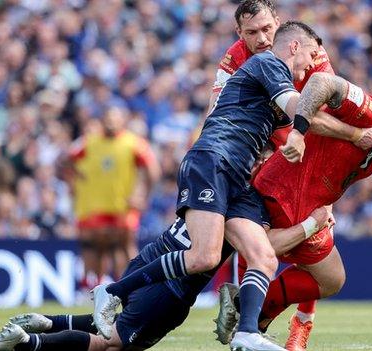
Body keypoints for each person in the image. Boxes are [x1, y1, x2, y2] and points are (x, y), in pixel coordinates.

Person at [90, 21, 323, 351]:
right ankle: (114, 292)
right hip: (214, 160)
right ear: (295, 47)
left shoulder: (272, 84)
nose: (314, 65)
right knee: (204, 257)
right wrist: (343, 109)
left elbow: (303, 126)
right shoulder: (269, 62)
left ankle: (246, 334)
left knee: (264, 257)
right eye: (312, 54)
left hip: (238, 177)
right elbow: (300, 110)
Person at [218, 75, 372, 350]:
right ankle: (250, 318)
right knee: (262, 251)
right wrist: (302, 132)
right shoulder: (365, 108)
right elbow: (322, 81)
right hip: (280, 192)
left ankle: (249, 310)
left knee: (332, 278)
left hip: (311, 210)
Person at [205, 3, 372, 348]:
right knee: (259, 239)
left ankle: (288, 321)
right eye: (251, 33)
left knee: (311, 241)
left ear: (280, 25)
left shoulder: (310, 50)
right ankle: (250, 315)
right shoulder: (234, 59)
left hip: (305, 153)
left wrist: (350, 136)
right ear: (239, 34)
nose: (262, 39)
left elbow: (319, 107)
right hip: (266, 153)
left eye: (267, 29)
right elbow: (217, 115)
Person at [0, 206, 333, 351]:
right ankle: (26, 344)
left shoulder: (213, 178)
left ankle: (46, 323)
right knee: (113, 344)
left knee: (110, 326)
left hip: (149, 258)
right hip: (171, 286)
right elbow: (264, 249)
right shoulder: (241, 204)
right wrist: (312, 224)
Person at [63, 106, 160, 289]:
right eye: (108, 118)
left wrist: (143, 196)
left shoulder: (133, 143)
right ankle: (92, 288)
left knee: (123, 246)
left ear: (123, 121)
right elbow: (66, 160)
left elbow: (153, 170)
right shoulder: (89, 142)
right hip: (93, 206)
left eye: (115, 119)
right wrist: (74, 183)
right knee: (93, 247)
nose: (111, 123)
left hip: (122, 206)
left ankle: (130, 284)